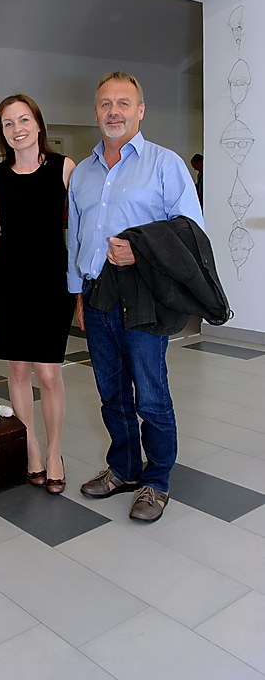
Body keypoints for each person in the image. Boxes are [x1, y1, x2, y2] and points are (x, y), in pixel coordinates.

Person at [68, 71, 204, 523]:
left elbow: (191, 233)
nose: (114, 111)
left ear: (140, 111)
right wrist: (78, 294)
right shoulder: (83, 172)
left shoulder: (165, 164)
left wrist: (141, 251)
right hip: (97, 293)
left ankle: (156, 480)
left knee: (150, 394)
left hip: (144, 294)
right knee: (111, 393)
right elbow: (76, 238)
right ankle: (125, 469)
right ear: (96, 111)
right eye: (105, 103)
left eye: (123, 103)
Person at [0, 94, 75, 494]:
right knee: (17, 371)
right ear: (2, 132)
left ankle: (55, 451)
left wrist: (82, 286)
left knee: (48, 374)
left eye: (23, 120)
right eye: (8, 123)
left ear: (38, 123)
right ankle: (30, 447)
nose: (17, 129)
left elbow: (81, 228)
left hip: (52, 281)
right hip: (10, 282)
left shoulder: (64, 168)